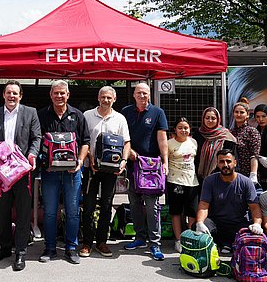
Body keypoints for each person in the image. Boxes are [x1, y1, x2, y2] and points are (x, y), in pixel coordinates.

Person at [0, 81, 41, 271]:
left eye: (15, 93)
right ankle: (5, 247)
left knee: (23, 212)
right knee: (3, 211)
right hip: (2, 173)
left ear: (20, 96)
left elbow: (36, 138)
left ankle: (21, 252)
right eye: (9, 93)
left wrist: (32, 154)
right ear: (3, 95)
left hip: (22, 171)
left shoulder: (30, 112)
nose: (12, 96)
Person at [37, 80, 90, 265]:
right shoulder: (42, 115)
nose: (59, 96)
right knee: (50, 212)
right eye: (56, 93)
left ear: (68, 95)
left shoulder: (77, 115)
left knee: (73, 212)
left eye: (62, 93)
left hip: (72, 172)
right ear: (50, 94)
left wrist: (80, 162)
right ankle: (50, 248)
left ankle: (71, 248)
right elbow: (37, 142)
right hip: (49, 172)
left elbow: (85, 142)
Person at [79, 85, 130, 258]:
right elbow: (84, 140)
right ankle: (86, 243)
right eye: (103, 97)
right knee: (88, 206)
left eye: (109, 97)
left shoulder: (120, 118)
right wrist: (90, 158)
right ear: (98, 98)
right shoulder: (87, 116)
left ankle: (102, 242)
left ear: (114, 99)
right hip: (91, 168)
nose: (106, 100)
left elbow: (126, 143)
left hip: (112, 170)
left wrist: (123, 161)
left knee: (107, 206)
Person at [120, 82, 168, 261]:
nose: (142, 96)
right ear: (134, 95)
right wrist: (129, 153)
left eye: (145, 93)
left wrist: (165, 162)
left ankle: (155, 243)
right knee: (134, 203)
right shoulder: (125, 112)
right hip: (133, 165)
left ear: (150, 95)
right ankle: (140, 237)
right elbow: (123, 136)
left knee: (152, 206)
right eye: (139, 93)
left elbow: (162, 139)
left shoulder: (158, 113)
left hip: (151, 167)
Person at [194, 149, 262, 250]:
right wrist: (199, 222)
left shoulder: (246, 182)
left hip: (237, 224)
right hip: (216, 223)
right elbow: (204, 205)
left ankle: (229, 245)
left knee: (252, 235)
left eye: (228, 161)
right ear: (217, 163)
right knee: (197, 230)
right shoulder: (209, 180)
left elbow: (255, 208)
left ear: (235, 163)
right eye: (221, 162)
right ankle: (216, 245)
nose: (225, 165)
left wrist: (257, 224)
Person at [166, 117, 198, 253]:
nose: (183, 130)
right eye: (180, 128)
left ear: (189, 129)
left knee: (192, 212)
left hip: (192, 182)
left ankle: (190, 238)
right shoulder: (169, 143)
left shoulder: (194, 142)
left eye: (186, 128)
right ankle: (179, 240)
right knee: (176, 211)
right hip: (175, 181)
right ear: (175, 129)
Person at [193, 107, 236, 184]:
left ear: (218, 120)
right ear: (203, 119)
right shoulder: (198, 134)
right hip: (198, 177)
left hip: (219, 176)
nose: (210, 120)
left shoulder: (226, 136)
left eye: (213, 118)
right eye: (207, 118)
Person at [229, 99, 260, 183]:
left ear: (247, 115)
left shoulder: (252, 132)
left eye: (242, 112)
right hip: (231, 174)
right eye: (236, 112)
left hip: (247, 175)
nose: (238, 115)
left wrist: (253, 175)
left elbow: (254, 155)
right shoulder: (229, 132)